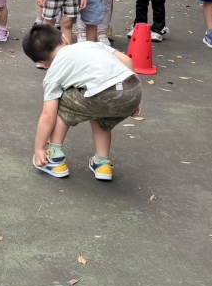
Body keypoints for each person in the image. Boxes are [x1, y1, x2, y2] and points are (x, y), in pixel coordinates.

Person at [23, 24, 142, 182]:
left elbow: (48, 115)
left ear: (41, 63)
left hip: (101, 95)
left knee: (61, 101)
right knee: (99, 111)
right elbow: (127, 61)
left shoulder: (52, 74)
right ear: (65, 39)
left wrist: (39, 147)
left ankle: (54, 159)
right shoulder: (91, 44)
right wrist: (132, 99)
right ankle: (102, 163)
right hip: (132, 88)